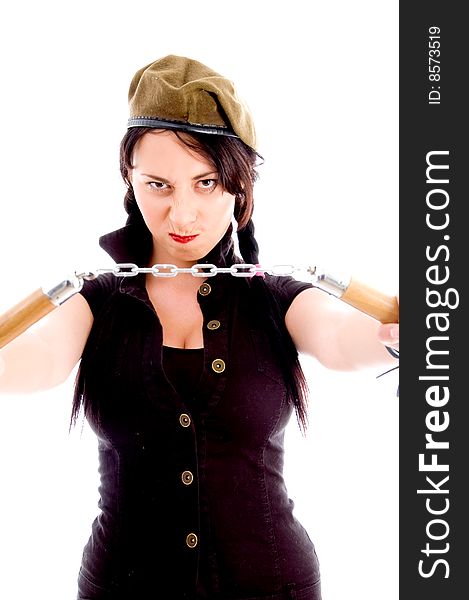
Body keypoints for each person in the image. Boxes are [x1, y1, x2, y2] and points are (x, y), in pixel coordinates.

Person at [0, 55, 399, 600]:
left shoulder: (275, 299)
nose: (181, 215)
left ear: (239, 186)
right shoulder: (94, 301)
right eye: (158, 184)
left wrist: (399, 336)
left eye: (206, 183)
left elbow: (340, 338)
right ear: (129, 180)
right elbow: (35, 359)